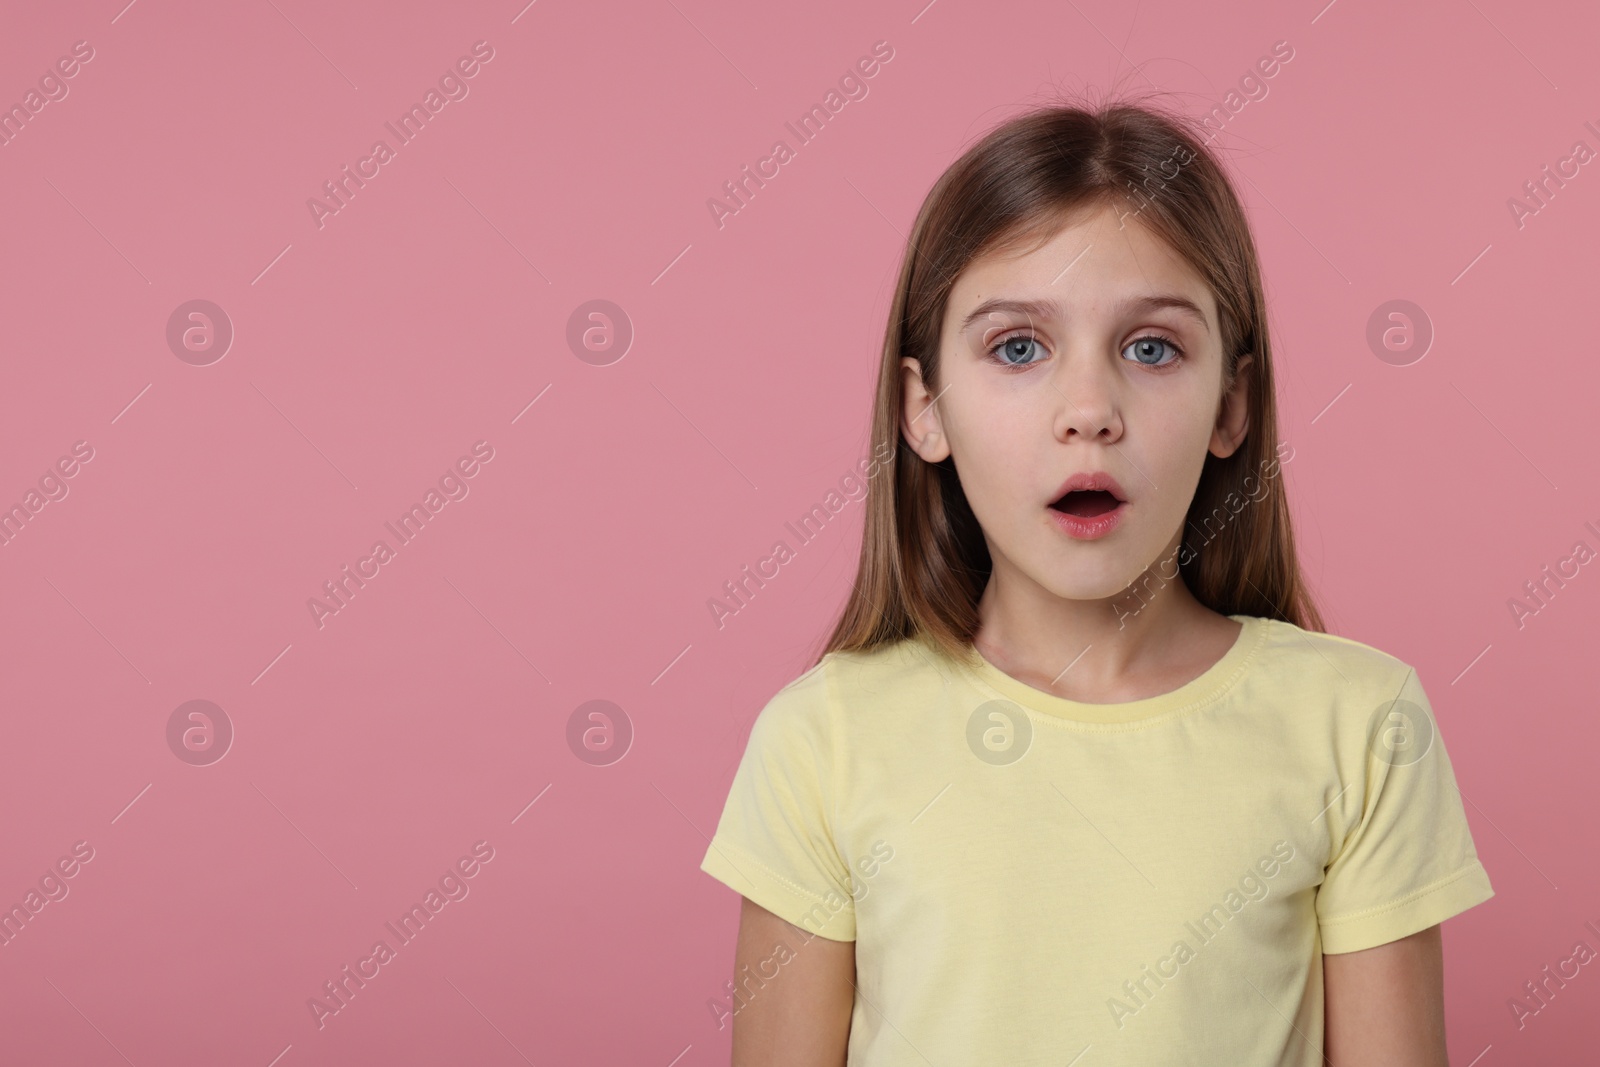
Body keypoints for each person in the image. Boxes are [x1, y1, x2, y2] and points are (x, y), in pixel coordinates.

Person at [699, 95, 1494, 1066]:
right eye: (1018, 348)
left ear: (1229, 405)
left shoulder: (1364, 725)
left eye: (1150, 347)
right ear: (924, 409)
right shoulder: (820, 738)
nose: (1089, 409)